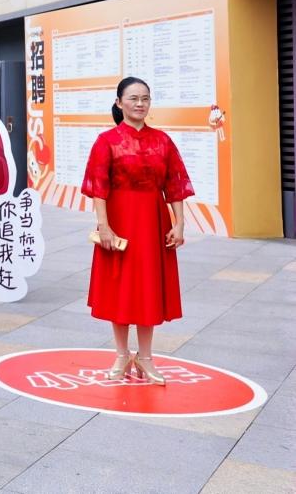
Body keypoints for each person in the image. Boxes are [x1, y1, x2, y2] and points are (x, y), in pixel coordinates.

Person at [82, 76, 192, 385]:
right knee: (120, 287)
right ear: (119, 103)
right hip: (119, 220)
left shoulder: (163, 141)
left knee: (148, 287)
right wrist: (104, 226)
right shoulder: (106, 141)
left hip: (153, 222)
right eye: (133, 98)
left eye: (145, 98)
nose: (140, 104)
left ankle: (145, 358)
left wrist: (179, 223)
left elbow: (174, 185)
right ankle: (121, 354)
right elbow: (98, 188)